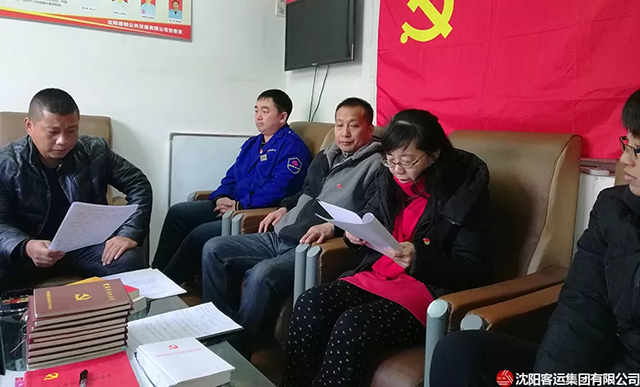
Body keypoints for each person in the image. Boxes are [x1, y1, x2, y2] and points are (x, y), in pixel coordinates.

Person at [430, 88, 640, 385]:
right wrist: (550, 380)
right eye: (627, 144)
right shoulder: (613, 209)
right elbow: (582, 309)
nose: (624, 160)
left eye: (637, 151)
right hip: (603, 368)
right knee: (461, 353)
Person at [281, 109, 491, 387]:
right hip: (378, 275)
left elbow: (472, 269)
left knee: (353, 324)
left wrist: (419, 258)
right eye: (390, 160)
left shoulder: (463, 193)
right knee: (310, 302)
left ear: (434, 154)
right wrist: (352, 234)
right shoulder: (388, 178)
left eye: (407, 161)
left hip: (427, 289)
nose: (397, 170)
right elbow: (370, 216)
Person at [201, 98, 384, 356]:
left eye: (353, 126)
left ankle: (235, 350)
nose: (344, 133)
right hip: (282, 233)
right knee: (214, 248)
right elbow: (305, 191)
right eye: (339, 124)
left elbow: (372, 214)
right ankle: (218, 328)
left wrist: (335, 228)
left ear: (369, 128)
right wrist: (284, 208)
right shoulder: (327, 155)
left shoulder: (378, 165)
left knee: (261, 274)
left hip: (310, 245)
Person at [0, 89, 152, 292]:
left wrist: (129, 233)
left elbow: (138, 184)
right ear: (29, 126)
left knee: (128, 261)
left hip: (85, 247)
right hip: (30, 252)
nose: (63, 140)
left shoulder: (94, 151)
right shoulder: (6, 163)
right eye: (53, 132)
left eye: (71, 131)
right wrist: (26, 246)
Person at [153, 90, 311, 285]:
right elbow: (232, 175)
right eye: (256, 110)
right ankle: (155, 272)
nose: (258, 117)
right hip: (229, 206)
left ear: (282, 117)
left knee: (199, 234)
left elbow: (279, 190)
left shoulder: (293, 148)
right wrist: (221, 197)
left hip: (250, 213)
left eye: (265, 111)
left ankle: (166, 284)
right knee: (178, 213)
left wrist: (240, 205)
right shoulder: (252, 144)